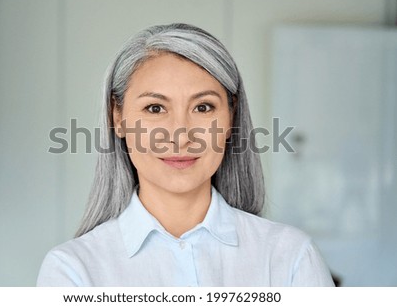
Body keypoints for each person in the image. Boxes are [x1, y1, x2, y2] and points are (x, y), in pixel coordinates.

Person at [37, 23, 334, 286]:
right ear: (118, 117)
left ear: (231, 116)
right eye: (155, 108)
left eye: (203, 107)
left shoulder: (291, 256)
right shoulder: (73, 270)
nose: (181, 134)